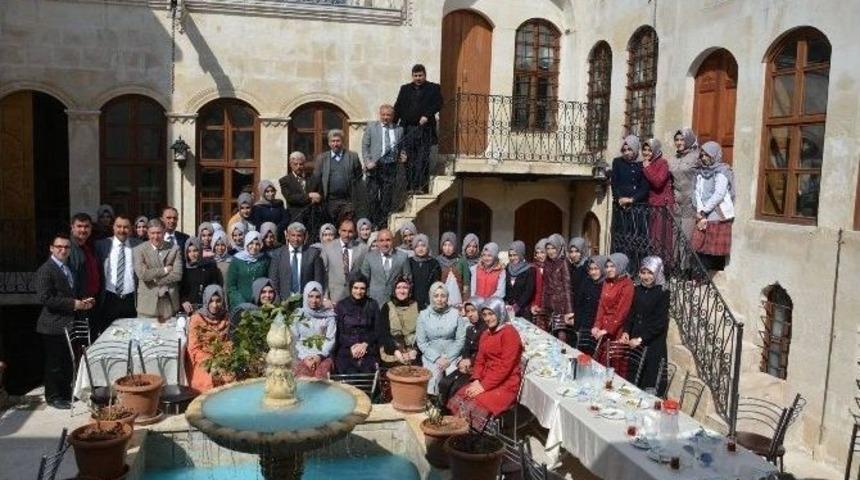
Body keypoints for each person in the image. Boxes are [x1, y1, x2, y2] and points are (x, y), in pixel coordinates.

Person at [35, 233, 95, 409]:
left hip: (68, 324)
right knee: (55, 364)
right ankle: (53, 397)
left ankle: (65, 393)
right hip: (52, 325)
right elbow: (45, 298)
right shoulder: (46, 270)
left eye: (66, 247)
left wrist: (84, 301)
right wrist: (72, 303)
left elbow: (71, 293)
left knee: (67, 361)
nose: (63, 250)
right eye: (59, 247)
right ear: (51, 248)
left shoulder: (68, 268)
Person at [447, 297, 523, 425]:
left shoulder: (509, 333)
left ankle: (474, 435)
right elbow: (480, 360)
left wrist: (483, 386)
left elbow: (505, 367)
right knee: (462, 395)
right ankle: (462, 433)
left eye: (491, 314)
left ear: (500, 313)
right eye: (485, 315)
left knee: (474, 403)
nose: (488, 318)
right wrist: (476, 379)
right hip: (486, 379)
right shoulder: (486, 334)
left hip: (505, 383)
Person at [621, 256, 669, 392]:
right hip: (635, 342)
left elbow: (659, 323)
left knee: (648, 384)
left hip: (652, 344)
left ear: (657, 272)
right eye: (643, 272)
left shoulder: (663, 292)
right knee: (633, 381)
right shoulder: (638, 289)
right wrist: (626, 331)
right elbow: (631, 313)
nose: (645, 276)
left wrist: (641, 339)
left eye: (650, 273)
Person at [394, 64, 443, 193]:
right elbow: (398, 107)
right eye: (415, 76)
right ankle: (410, 187)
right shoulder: (404, 89)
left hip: (424, 129)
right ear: (412, 76)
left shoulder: (433, 88)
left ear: (425, 75)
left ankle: (421, 187)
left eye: (420, 75)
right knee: (408, 159)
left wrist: (427, 115)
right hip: (408, 129)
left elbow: (438, 103)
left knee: (422, 159)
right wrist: (393, 126)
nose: (418, 78)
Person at [416, 282, 466, 395]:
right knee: (432, 379)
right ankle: (434, 404)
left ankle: (450, 408)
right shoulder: (423, 315)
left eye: (443, 296)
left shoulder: (455, 314)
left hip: (452, 355)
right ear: (431, 297)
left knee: (453, 378)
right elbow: (422, 343)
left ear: (447, 297)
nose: (439, 299)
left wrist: (449, 358)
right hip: (432, 356)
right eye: (436, 296)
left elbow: (460, 340)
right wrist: (437, 358)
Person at [692, 141, 735, 273]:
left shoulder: (722, 171)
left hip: (717, 213)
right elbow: (697, 192)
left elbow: (719, 194)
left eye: (707, 155)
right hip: (703, 213)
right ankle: (700, 276)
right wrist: (700, 211)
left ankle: (713, 277)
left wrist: (705, 211)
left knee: (713, 248)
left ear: (714, 155)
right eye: (702, 155)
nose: (704, 158)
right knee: (700, 245)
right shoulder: (701, 172)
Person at [94, 214, 141, 336]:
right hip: (109, 298)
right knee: (107, 335)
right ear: (113, 228)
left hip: (131, 300)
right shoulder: (101, 245)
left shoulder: (139, 245)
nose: (122, 230)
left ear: (131, 229)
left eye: (126, 227)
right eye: (119, 226)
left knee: (131, 335)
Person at [438, 296, 486, 409]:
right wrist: (464, 359)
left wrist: (470, 361)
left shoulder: (485, 330)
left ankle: (453, 417)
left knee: (456, 387)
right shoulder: (470, 329)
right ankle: (443, 412)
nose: (470, 314)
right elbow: (466, 347)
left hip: (478, 369)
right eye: (468, 311)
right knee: (444, 382)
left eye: (473, 310)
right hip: (467, 366)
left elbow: (483, 352)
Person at [362, 104, 406, 226]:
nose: (386, 117)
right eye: (383, 115)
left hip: (390, 166)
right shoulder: (371, 127)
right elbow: (365, 146)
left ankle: (382, 224)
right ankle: (372, 224)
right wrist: (368, 161)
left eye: (388, 115)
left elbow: (401, 147)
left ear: (392, 116)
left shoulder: (399, 130)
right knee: (373, 197)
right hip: (375, 166)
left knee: (387, 197)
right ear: (380, 115)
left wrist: (403, 155)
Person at [610, 135, 650, 270]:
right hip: (621, 208)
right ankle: (620, 267)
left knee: (637, 238)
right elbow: (614, 183)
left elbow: (645, 187)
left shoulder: (643, 164)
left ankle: (636, 268)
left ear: (636, 149)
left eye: (630, 149)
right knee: (622, 237)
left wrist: (632, 199)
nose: (627, 153)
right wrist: (619, 199)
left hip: (638, 208)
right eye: (624, 149)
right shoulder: (617, 162)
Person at [133, 219, 182, 319]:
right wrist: (165, 270)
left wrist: (155, 278)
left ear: (164, 232)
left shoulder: (174, 249)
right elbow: (143, 275)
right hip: (147, 305)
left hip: (168, 303)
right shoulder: (139, 250)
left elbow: (177, 274)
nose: (155, 237)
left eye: (159, 233)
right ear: (147, 233)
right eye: (152, 233)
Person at [592, 253, 635, 367]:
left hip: (616, 330)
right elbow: (601, 306)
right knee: (599, 362)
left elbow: (622, 312)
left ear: (620, 266)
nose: (608, 269)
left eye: (612, 266)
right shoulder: (607, 281)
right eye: (607, 266)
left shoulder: (627, 284)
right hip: (603, 328)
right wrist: (597, 325)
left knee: (613, 364)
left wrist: (606, 330)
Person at [311, 129, 363, 223]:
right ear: (329, 143)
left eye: (338, 141)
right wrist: (313, 193)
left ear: (342, 142)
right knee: (331, 227)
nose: (335, 144)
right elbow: (316, 179)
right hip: (329, 201)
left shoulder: (353, 156)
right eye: (333, 141)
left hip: (348, 200)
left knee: (347, 225)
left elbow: (359, 177)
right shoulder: (322, 158)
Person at [186, 284, 231, 392]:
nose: (214, 305)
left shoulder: (226, 317)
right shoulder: (197, 319)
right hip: (203, 360)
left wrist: (223, 357)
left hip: (223, 357)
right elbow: (194, 347)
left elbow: (229, 342)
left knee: (229, 377)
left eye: (218, 301)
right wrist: (210, 361)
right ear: (206, 301)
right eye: (211, 301)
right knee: (206, 379)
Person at [333, 274, 381, 374]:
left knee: (368, 371)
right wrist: (352, 347)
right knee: (348, 372)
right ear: (351, 288)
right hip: (347, 348)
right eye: (356, 288)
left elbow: (377, 330)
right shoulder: (341, 305)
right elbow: (338, 333)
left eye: (362, 288)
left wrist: (364, 344)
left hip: (368, 347)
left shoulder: (372, 304)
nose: (359, 292)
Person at [292, 282, 337, 378]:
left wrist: (318, 357)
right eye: (310, 296)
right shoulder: (298, 315)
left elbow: (330, 340)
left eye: (317, 297)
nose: (314, 300)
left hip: (323, 356)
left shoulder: (329, 316)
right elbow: (294, 339)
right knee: (302, 377)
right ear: (305, 296)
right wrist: (305, 357)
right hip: (302, 356)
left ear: (321, 298)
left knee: (321, 377)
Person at [269, 222, 325, 298]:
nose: (296, 239)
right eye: (293, 235)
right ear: (287, 236)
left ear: (304, 237)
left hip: (307, 301)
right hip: (283, 302)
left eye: (299, 236)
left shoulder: (313, 254)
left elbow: (318, 280)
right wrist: (277, 300)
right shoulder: (278, 254)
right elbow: (273, 280)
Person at [642, 138, 675, 264]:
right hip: (652, 205)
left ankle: (664, 266)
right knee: (653, 238)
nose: (646, 153)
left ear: (655, 150)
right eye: (644, 150)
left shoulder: (662, 163)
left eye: (649, 150)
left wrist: (648, 168)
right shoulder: (647, 163)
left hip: (662, 206)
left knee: (661, 238)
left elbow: (658, 182)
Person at [359, 228, 410, 309]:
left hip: (396, 303)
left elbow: (408, 280)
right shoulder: (369, 257)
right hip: (374, 303)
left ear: (393, 241)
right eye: (381, 240)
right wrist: (369, 296)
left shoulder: (402, 257)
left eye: (388, 240)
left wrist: (402, 297)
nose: (385, 243)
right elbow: (364, 280)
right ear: (377, 242)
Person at [322, 219, 368, 304]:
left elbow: (365, 273)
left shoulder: (363, 248)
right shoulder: (328, 248)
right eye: (344, 231)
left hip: (356, 297)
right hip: (334, 298)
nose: (347, 235)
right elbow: (323, 274)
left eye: (350, 231)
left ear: (355, 232)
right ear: (339, 231)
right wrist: (325, 297)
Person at [378, 276, 420, 367]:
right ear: (394, 290)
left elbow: (422, 332)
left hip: (413, 350)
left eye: (405, 288)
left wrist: (415, 350)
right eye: (398, 288)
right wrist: (396, 351)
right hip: (393, 350)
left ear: (410, 290)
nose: (402, 291)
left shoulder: (417, 306)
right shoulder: (387, 307)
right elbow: (383, 333)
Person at [226, 231, 270, 309]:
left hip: (259, 305)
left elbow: (267, 282)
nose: (254, 247)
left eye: (257, 244)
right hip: (239, 306)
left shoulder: (264, 260)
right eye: (251, 243)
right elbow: (231, 286)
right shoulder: (237, 260)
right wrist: (240, 302)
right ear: (246, 244)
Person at [670, 128, 700, 240]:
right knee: (674, 239)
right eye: (676, 140)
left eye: (682, 139)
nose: (679, 143)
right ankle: (674, 259)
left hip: (690, 205)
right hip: (677, 203)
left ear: (689, 139)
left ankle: (685, 259)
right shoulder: (673, 159)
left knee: (686, 240)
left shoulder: (697, 156)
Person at [542, 234, 573, 342]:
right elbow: (545, 284)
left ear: (559, 247)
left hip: (561, 304)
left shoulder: (563, 262)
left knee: (560, 335)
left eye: (553, 248)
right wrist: (543, 304)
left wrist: (569, 310)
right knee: (547, 334)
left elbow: (567, 286)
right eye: (548, 248)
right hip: (548, 302)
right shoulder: (547, 262)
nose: (550, 251)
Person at [179, 237, 222, 315]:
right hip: (187, 309)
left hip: (206, 309)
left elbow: (214, 288)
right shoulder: (183, 269)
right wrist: (183, 301)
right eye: (189, 251)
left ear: (200, 250)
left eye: (195, 250)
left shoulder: (209, 267)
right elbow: (179, 290)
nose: (192, 254)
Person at [278, 151, 323, 226]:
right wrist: (309, 196)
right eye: (295, 164)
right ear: (291, 165)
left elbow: (320, 195)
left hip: (312, 218)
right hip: (296, 218)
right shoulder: (285, 181)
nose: (298, 166)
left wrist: (318, 197)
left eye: (301, 164)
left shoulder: (314, 179)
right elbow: (290, 198)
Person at [573, 256, 607, 350]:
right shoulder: (587, 281)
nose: (593, 272)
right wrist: (577, 326)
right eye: (591, 269)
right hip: (584, 325)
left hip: (597, 328)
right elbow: (579, 304)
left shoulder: (606, 285)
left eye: (596, 269)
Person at [69, 212, 100, 302]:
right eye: (79, 226)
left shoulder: (90, 247)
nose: (83, 230)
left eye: (86, 226)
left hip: (91, 300)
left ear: (91, 228)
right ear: (72, 227)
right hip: (76, 302)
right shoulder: (66, 248)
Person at [436, 232, 470, 305]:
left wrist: (465, 301)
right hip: (441, 300)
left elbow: (466, 283)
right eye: (445, 245)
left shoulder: (462, 260)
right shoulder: (438, 261)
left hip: (458, 300)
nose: (447, 248)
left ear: (455, 246)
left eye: (450, 245)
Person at [409, 234, 441, 310]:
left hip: (429, 303)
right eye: (417, 246)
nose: (420, 249)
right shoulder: (409, 262)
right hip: (411, 303)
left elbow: (436, 284)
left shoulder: (434, 263)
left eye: (423, 245)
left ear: (427, 247)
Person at [504, 241, 535, 319]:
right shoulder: (507, 268)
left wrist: (517, 305)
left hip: (523, 309)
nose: (512, 258)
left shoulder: (529, 269)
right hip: (508, 308)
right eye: (510, 255)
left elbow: (529, 291)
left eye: (515, 255)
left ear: (521, 254)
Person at [567, 237, 591, 313]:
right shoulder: (573, 267)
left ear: (583, 251)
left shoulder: (588, 267)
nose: (573, 255)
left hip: (583, 309)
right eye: (571, 251)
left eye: (577, 251)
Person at [529, 238, 549, 331]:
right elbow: (534, 289)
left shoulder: (553, 268)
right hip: (535, 306)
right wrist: (535, 304)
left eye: (542, 252)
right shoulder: (533, 267)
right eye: (537, 253)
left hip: (549, 306)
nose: (539, 255)